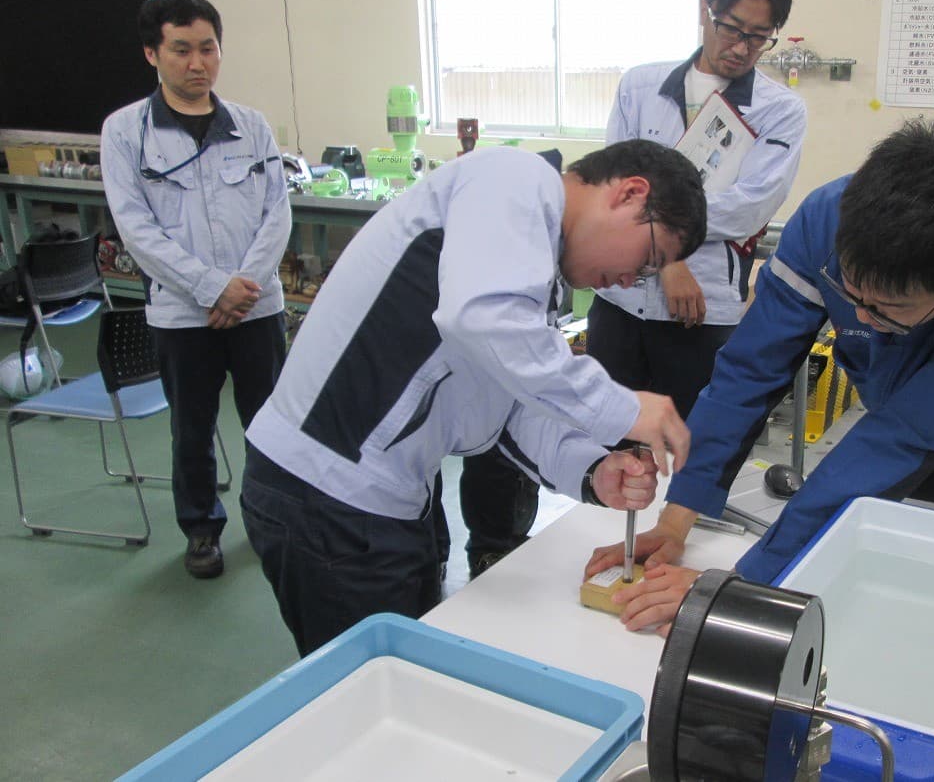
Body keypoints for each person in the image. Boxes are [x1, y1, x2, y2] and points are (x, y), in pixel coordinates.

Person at [587, 120, 934, 780]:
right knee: (871, 586)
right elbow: (749, 368)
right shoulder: (826, 220)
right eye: (849, 294)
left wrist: (735, 589)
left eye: (887, 307)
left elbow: (899, 442)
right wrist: (679, 515)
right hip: (918, 413)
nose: (858, 317)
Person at [241, 140, 706, 656]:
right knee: (364, 704)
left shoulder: (531, 267)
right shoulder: (517, 178)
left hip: (380, 503)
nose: (628, 280)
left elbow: (507, 405)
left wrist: (593, 470)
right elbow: (483, 320)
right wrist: (623, 408)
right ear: (630, 194)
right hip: (325, 497)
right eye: (647, 260)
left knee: (403, 684)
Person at [100, 0, 291, 580]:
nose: (196, 63)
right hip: (184, 316)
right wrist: (212, 290)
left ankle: (272, 519)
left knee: (270, 424)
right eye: (180, 49)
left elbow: (276, 215)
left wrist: (243, 289)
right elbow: (137, 230)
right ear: (152, 54)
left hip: (257, 309)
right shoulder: (126, 133)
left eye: (207, 48)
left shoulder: (252, 126)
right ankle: (202, 530)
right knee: (192, 429)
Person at [587, 0, 806, 420]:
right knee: (605, 446)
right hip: (619, 301)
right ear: (704, 10)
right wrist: (668, 261)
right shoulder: (640, 87)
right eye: (732, 28)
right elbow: (616, 186)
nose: (742, 48)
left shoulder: (779, 110)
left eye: (759, 37)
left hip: (700, 313)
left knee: (690, 447)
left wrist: (662, 241)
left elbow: (748, 207)